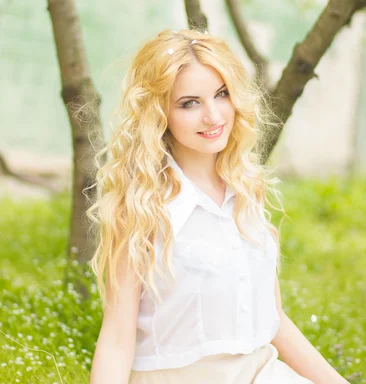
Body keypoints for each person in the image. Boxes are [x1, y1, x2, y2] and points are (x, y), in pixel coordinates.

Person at [87, 28, 349, 384]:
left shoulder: (245, 191)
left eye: (221, 94)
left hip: (263, 373)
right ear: (160, 113)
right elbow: (118, 340)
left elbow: (273, 320)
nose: (213, 116)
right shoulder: (143, 208)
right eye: (189, 103)